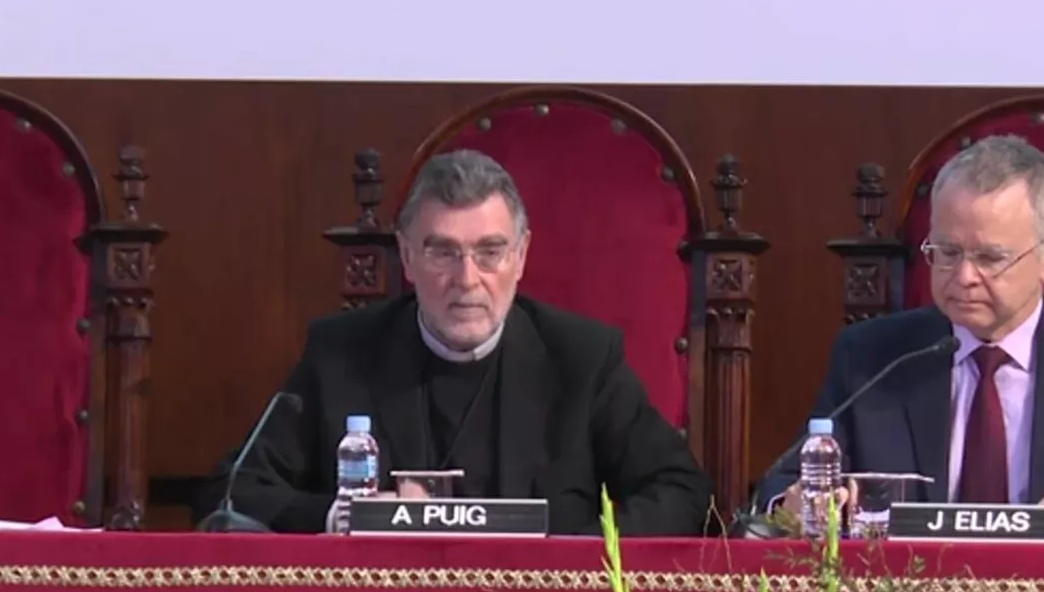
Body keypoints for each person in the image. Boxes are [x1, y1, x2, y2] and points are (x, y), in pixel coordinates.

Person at [194, 149, 714, 536]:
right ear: (407, 256)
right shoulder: (342, 355)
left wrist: (575, 557)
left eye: (489, 252)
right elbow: (231, 491)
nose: (467, 279)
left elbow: (683, 491)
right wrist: (344, 517)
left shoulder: (580, 359)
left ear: (521, 256)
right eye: (442, 252)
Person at [758, 135, 1044, 545]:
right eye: (947, 252)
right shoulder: (872, 357)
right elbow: (779, 491)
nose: (963, 277)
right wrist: (796, 506)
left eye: (989, 258)